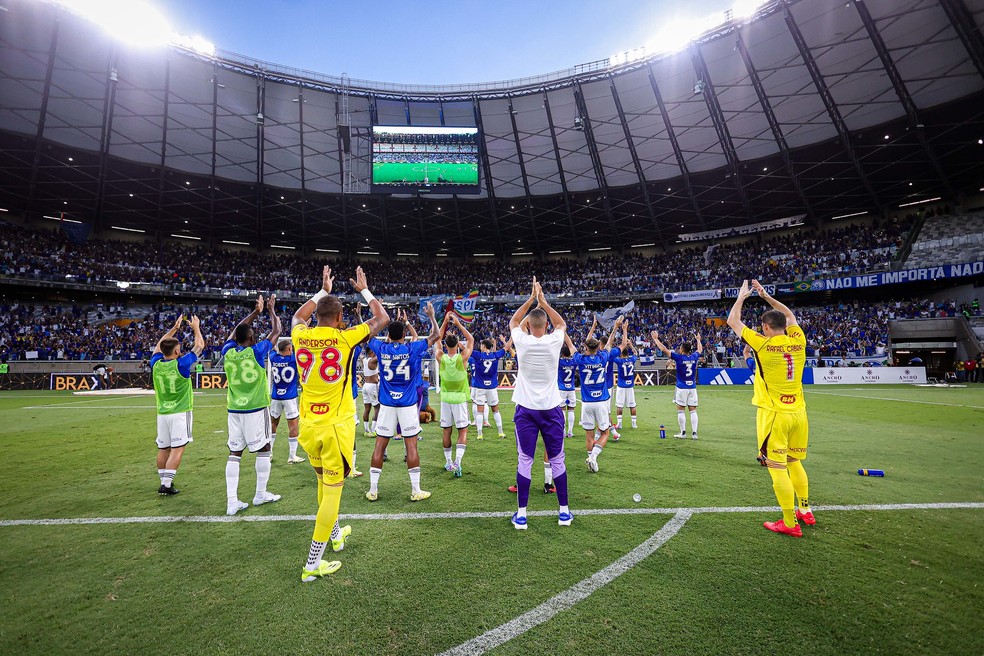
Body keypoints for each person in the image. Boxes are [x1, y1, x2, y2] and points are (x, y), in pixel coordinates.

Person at [292, 265, 389, 582]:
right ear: (338, 318)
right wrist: (365, 290)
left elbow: (296, 316)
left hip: (308, 423)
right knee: (333, 493)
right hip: (335, 426)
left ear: (316, 316)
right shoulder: (345, 337)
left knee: (322, 483)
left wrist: (321, 290)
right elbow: (382, 319)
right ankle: (311, 564)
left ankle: (335, 535)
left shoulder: (300, 335)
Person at [727, 279, 813, 538]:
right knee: (794, 461)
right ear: (785, 327)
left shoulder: (762, 344)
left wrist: (742, 297)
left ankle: (789, 521)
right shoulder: (799, 340)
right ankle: (805, 510)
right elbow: (789, 314)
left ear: (765, 327)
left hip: (775, 414)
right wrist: (765, 296)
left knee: (777, 467)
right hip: (799, 412)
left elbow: (733, 321)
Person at [509, 277, 571, 530]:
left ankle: (522, 515)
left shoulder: (521, 340)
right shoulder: (554, 341)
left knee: (525, 460)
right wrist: (544, 301)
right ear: (545, 326)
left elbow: (514, 321)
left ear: (528, 326)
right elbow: (562, 323)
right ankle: (564, 513)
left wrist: (532, 300)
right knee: (557, 460)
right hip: (551, 409)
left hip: (526, 410)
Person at [366, 304, 439, 502]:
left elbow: (366, 336)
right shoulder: (412, 348)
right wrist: (431, 317)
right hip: (407, 405)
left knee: (379, 446)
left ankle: (373, 490)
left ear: (388, 335)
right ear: (405, 333)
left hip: (387, 404)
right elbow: (436, 336)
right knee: (411, 447)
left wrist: (378, 322)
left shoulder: (381, 348)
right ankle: (416, 490)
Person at [222, 295, 281, 516]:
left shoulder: (227, 351)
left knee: (234, 453)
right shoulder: (256, 352)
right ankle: (260, 493)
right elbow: (276, 332)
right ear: (252, 336)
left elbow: (237, 331)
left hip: (234, 409)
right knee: (265, 448)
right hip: (256, 408)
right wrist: (271, 311)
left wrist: (255, 312)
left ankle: (232, 501)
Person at [150, 314, 203, 496]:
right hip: (180, 412)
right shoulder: (181, 364)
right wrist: (196, 327)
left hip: (162, 413)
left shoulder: (155, 364)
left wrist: (174, 329)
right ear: (175, 352)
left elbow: (159, 346)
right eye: (179, 348)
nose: (180, 351)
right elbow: (199, 346)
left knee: (163, 448)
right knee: (178, 448)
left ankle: (163, 482)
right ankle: (166, 484)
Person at [567, 317, 623, 473]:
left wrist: (563, 331)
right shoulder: (603, 356)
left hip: (586, 403)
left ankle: (591, 459)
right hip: (601, 401)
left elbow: (570, 345)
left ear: (586, 347)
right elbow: (611, 342)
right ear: (598, 347)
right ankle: (593, 457)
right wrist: (616, 327)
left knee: (589, 436)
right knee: (604, 432)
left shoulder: (580, 359)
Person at [435, 309, 474, 477]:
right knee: (462, 431)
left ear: (445, 345)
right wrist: (459, 324)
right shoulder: (462, 358)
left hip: (445, 399)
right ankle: (458, 461)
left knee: (446, 431)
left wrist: (444, 322)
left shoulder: (440, 357)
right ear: (457, 344)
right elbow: (471, 339)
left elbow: (436, 338)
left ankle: (448, 462)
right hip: (459, 399)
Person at [651, 329, 702, 439]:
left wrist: (655, 339)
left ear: (682, 349)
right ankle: (694, 433)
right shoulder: (694, 357)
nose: (679, 349)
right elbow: (700, 350)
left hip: (681, 387)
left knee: (681, 410)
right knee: (693, 410)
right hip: (692, 388)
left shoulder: (679, 358)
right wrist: (698, 340)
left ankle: (683, 433)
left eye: (680, 347)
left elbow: (664, 349)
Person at [269, 338, 305, 464]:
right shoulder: (294, 359)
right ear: (289, 349)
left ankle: (269, 453)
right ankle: (292, 456)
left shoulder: (273, 358)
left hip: (275, 397)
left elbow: (272, 349)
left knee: (273, 423)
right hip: (289, 397)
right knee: (293, 425)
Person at [469, 334, 512, 439]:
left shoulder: (478, 355)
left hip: (480, 387)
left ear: (484, 346)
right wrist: (512, 336)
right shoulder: (495, 355)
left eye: (481, 345)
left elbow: (465, 348)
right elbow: (506, 348)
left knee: (480, 410)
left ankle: (480, 434)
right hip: (492, 387)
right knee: (496, 410)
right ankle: (500, 432)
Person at [613, 321, 638, 430]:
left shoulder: (619, 361)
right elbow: (636, 353)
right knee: (632, 405)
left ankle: (620, 424)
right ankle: (634, 424)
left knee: (619, 405)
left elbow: (612, 356)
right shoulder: (632, 359)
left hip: (622, 386)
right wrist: (631, 345)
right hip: (630, 386)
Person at [558, 344, 578, 439]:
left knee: (562, 410)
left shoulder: (559, 362)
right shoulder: (574, 362)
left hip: (561, 388)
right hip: (571, 388)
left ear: (562, 354)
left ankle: (563, 431)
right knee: (571, 409)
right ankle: (570, 431)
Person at [361, 350, 380, 436]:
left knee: (367, 408)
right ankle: (373, 430)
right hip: (372, 386)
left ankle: (366, 430)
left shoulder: (364, 359)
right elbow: (381, 355)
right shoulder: (372, 360)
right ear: (371, 352)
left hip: (365, 386)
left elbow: (361, 356)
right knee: (377, 408)